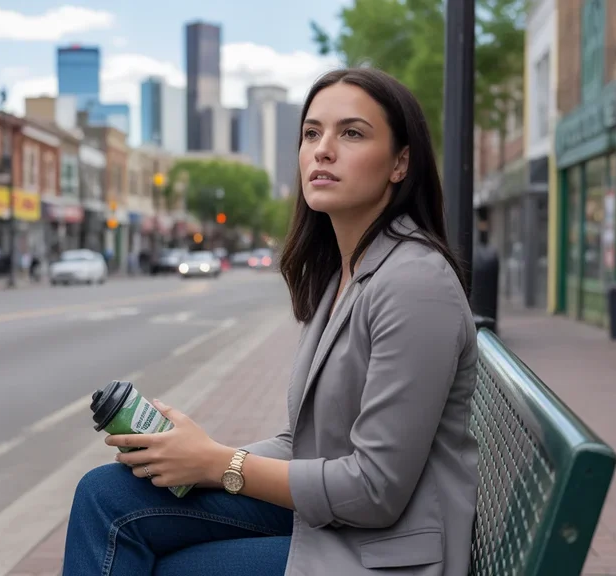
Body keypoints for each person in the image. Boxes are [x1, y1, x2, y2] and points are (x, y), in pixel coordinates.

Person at [62, 67, 479, 576]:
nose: (323, 149)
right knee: (107, 495)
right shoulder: (347, 273)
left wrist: (221, 466)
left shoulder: (416, 284)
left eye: (351, 133)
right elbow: (306, 444)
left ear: (400, 163)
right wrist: (198, 455)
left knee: (167, 564)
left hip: (386, 550)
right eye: (311, 133)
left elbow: (376, 490)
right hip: (345, 525)